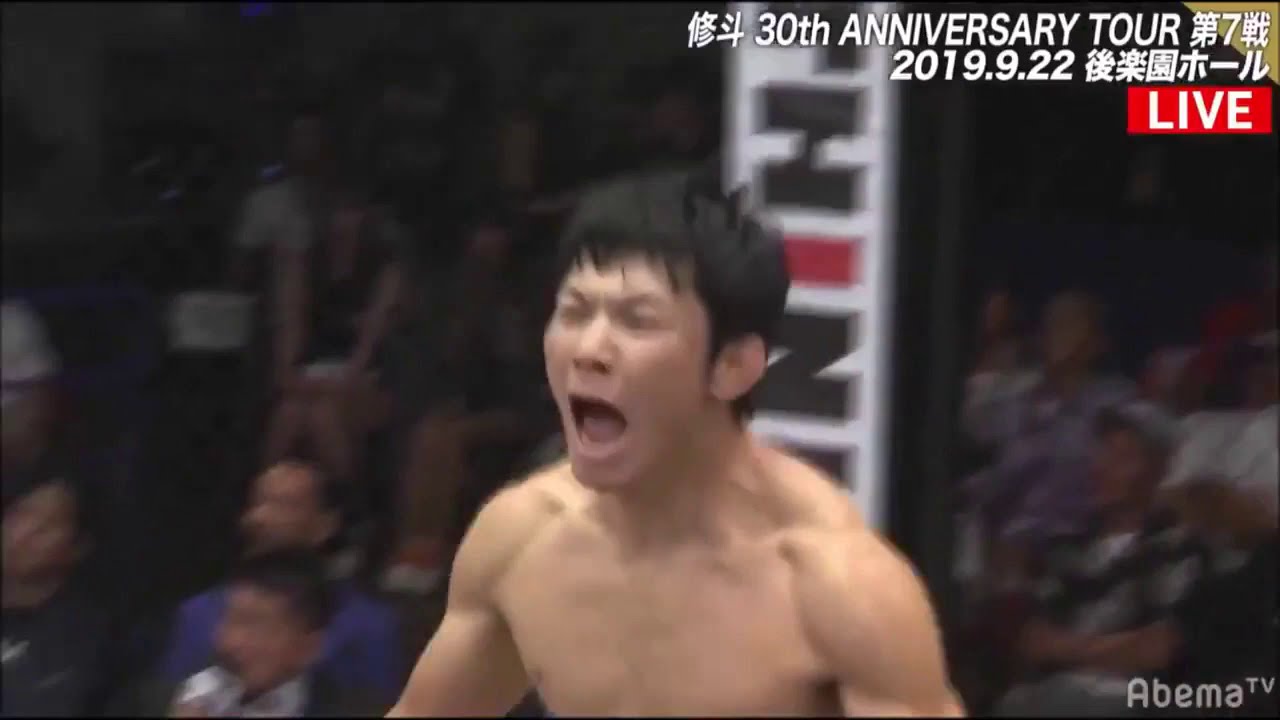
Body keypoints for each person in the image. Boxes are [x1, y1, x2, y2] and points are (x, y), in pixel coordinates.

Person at [387, 171, 962, 716]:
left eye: (637, 321)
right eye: (575, 313)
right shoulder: (520, 540)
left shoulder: (840, 589)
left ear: (733, 367)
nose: (588, 349)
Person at [995, 401, 1203, 717]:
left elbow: (1155, 650)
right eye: (1103, 452)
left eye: (1124, 457)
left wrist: (1065, 647)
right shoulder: (1064, 549)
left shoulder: (1176, 547)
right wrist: (1111, 648)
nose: (1103, 467)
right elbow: (1032, 644)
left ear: (1158, 471)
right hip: (1054, 694)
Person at [162, 461, 403, 703]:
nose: (260, 517)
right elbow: (169, 696)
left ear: (325, 525)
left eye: (284, 504)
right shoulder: (197, 612)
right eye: (257, 503)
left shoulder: (368, 625)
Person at [158, 550, 382, 717]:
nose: (230, 641)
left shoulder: (349, 711)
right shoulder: (191, 694)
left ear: (309, 647)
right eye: (230, 620)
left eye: (256, 626)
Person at [2, 474, 122, 716]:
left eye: (46, 526)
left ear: (78, 547)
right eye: (20, 514)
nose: (23, 534)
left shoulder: (84, 640)